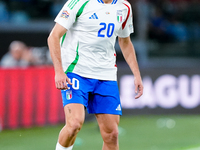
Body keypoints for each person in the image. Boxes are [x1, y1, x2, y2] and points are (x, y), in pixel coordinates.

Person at [47, 0, 143, 149]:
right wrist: (59, 71)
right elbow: (53, 36)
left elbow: (125, 42)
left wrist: (136, 74)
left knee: (112, 134)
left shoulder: (124, 7)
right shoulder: (78, 3)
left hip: (106, 75)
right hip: (76, 71)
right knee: (74, 124)